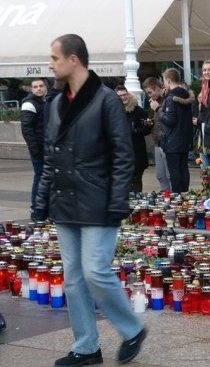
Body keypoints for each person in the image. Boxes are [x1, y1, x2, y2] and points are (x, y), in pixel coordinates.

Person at [32, 34, 146, 366]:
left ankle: (132, 329)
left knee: (95, 271)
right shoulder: (54, 104)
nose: (50, 64)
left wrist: (117, 203)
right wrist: (41, 201)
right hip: (65, 201)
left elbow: (123, 157)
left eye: (54, 58)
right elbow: (50, 157)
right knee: (74, 278)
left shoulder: (106, 100)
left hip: (98, 199)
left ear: (74, 60)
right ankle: (86, 347)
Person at [160, 68, 194, 193]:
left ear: (168, 81)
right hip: (184, 139)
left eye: (164, 81)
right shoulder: (186, 95)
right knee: (183, 168)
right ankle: (185, 194)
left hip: (172, 140)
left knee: (174, 171)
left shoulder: (171, 98)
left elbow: (170, 120)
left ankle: (177, 197)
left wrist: (159, 110)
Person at [115, 86, 151, 193]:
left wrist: (133, 132)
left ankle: (137, 203)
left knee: (136, 180)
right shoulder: (114, 110)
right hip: (120, 153)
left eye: (125, 94)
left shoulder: (138, 110)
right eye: (120, 96)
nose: (123, 97)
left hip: (137, 152)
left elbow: (147, 129)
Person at [20, 77, 47, 212]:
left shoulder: (44, 102)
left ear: (45, 87)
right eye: (35, 87)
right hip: (39, 149)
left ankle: (42, 207)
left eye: (41, 86)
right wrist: (35, 149)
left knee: (45, 177)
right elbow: (27, 129)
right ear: (31, 89)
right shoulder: (29, 104)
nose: (38, 89)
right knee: (40, 177)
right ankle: (36, 207)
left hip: (47, 148)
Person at [142, 77, 170, 192]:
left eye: (150, 92)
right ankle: (165, 196)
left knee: (168, 175)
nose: (149, 95)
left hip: (166, 142)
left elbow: (168, 120)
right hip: (157, 141)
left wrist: (157, 108)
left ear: (157, 88)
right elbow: (160, 121)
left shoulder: (167, 100)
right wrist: (151, 122)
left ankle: (171, 197)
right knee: (160, 175)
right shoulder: (157, 101)